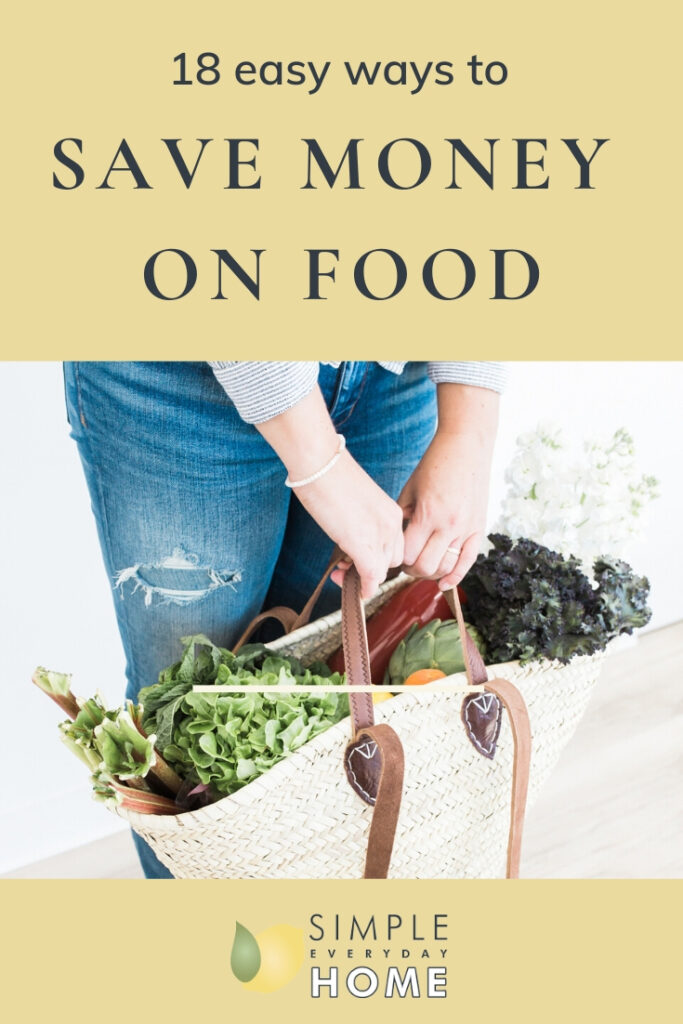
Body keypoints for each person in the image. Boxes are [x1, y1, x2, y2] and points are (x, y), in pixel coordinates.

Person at [63, 359, 503, 877]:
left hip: (392, 375)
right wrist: (319, 465)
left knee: (329, 685)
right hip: (179, 386)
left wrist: (467, 429)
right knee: (181, 734)